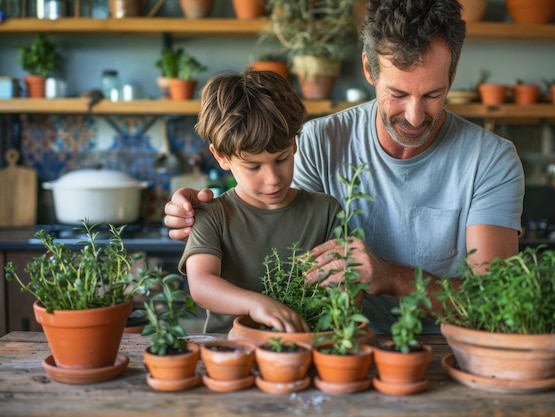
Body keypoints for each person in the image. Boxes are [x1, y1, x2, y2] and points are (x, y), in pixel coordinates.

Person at [165, 0, 525, 334]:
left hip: (447, 350)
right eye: (398, 94)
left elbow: (497, 302)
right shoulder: (317, 141)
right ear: (369, 69)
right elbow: (276, 231)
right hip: (339, 348)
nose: (415, 117)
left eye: (432, 94)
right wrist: (205, 212)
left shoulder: (490, 160)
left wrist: (394, 277)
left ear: (454, 71)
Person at [178, 69, 344, 334]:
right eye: (253, 166)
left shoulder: (327, 211)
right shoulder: (212, 215)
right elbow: (201, 284)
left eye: (281, 159)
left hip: (306, 347)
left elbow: (345, 292)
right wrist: (257, 304)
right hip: (231, 352)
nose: (273, 179)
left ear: (294, 144)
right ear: (221, 157)